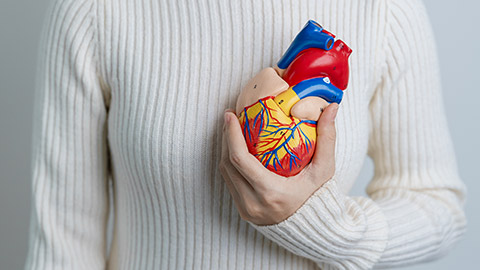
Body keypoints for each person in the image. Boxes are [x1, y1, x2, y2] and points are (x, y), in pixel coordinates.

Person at [25, 0, 467, 269]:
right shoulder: (95, 12)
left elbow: (437, 205)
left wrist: (330, 229)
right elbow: (62, 248)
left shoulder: (384, 10)